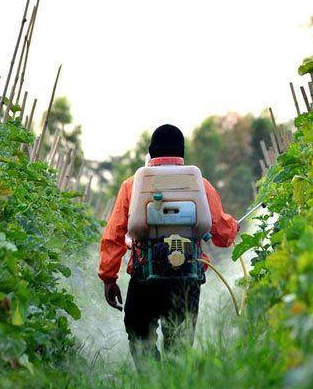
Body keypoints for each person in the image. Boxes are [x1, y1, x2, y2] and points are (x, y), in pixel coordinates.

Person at [99, 124, 238, 365]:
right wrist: (232, 226)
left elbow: (114, 234)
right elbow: (223, 236)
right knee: (179, 346)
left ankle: (152, 380)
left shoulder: (132, 185)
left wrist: (109, 277)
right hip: (187, 278)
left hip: (144, 277)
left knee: (141, 340)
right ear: (181, 152)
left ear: (152, 152)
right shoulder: (199, 184)